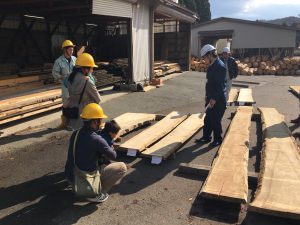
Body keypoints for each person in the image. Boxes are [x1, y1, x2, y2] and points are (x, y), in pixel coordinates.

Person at [64, 103, 127, 203]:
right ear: (95, 121)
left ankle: (80, 188)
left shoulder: (76, 133)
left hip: (71, 176)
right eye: (100, 120)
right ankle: (94, 193)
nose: (101, 122)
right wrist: (110, 143)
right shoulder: (97, 140)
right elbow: (113, 155)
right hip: (85, 180)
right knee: (122, 167)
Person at [196, 44, 227, 146]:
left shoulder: (219, 66)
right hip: (210, 97)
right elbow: (209, 83)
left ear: (210, 55)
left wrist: (213, 99)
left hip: (218, 99)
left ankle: (218, 139)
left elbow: (220, 86)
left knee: (215, 120)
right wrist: (207, 96)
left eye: (204, 57)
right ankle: (206, 137)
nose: (204, 60)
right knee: (208, 118)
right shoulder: (211, 66)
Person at [64, 53, 101, 130]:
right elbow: (98, 99)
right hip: (85, 116)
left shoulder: (70, 78)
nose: (92, 70)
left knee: (76, 135)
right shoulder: (87, 82)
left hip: (73, 113)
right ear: (85, 69)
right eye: (91, 68)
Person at [52, 40, 76, 129]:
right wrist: (63, 77)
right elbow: (55, 73)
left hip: (74, 86)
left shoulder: (75, 59)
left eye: (72, 49)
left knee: (74, 104)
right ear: (65, 50)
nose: (72, 51)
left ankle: (72, 123)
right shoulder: (58, 61)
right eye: (70, 49)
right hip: (66, 87)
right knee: (66, 105)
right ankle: (65, 123)